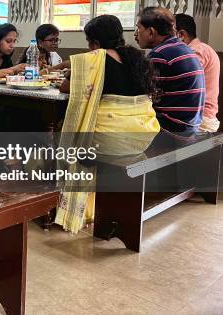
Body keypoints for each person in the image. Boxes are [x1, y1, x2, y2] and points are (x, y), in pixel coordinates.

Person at [55, 14, 160, 233]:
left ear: (94, 42)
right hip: (141, 136)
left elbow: (65, 88)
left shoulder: (95, 59)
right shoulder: (136, 57)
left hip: (109, 139)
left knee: (67, 135)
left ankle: (66, 204)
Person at [135, 7, 205, 138]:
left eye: (138, 28)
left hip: (171, 129)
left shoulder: (159, 55)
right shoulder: (183, 48)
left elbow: (142, 95)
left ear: (151, 32)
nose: (135, 34)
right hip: (190, 127)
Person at [175, 14, 220, 133]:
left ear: (181, 35)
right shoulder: (201, 49)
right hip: (202, 117)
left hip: (201, 120)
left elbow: (182, 83)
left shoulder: (197, 51)